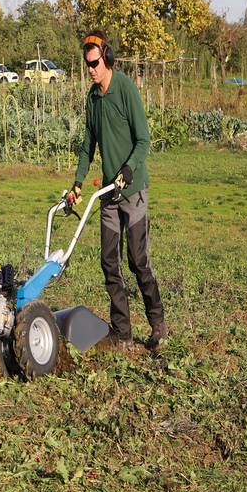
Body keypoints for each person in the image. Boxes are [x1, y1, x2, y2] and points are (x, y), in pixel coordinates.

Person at [69, 30, 167, 352]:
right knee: (109, 263)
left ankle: (158, 326)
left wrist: (128, 168)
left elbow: (144, 141)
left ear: (107, 58)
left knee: (138, 261)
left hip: (133, 189)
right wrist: (78, 182)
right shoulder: (92, 98)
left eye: (95, 63)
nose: (91, 70)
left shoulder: (125, 89)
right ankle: (123, 334)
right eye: (87, 65)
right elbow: (88, 147)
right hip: (109, 195)